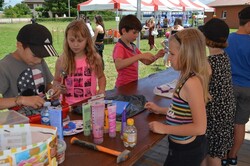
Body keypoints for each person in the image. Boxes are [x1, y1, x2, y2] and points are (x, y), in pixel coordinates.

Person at [144, 28, 210, 166]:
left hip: (186, 152)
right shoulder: (184, 76)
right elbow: (183, 110)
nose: (168, 58)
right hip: (179, 147)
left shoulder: (192, 83)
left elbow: (200, 127)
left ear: (188, 55)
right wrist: (161, 110)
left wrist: (164, 128)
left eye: (172, 54)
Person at [198, 18, 236, 166]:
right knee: (215, 152)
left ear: (206, 39)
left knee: (211, 154)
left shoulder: (208, 63)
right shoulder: (224, 57)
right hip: (225, 111)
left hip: (214, 115)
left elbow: (201, 91)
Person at [0, 23, 60, 111]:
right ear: (20, 46)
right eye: (35, 55)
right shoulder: (4, 67)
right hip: (22, 122)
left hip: (44, 116)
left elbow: (47, 84)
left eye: (42, 56)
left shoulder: (39, 60)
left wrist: (52, 90)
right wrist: (21, 100)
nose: (39, 61)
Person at [53, 20, 106, 105]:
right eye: (72, 40)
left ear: (87, 40)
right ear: (66, 39)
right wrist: (58, 87)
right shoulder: (61, 60)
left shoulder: (94, 58)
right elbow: (56, 80)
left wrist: (101, 90)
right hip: (68, 106)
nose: (76, 45)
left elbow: (101, 77)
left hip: (89, 105)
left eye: (80, 40)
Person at [224, 6, 250, 166]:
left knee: (226, 122)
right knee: (240, 123)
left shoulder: (227, 39)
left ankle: (223, 155)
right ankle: (232, 156)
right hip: (247, 89)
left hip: (229, 87)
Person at [112, 14, 165, 88]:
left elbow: (146, 62)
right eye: (134, 32)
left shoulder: (133, 46)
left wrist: (157, 56)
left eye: (138, 33)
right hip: (123, 87)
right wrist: (139, 56)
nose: (137, 35)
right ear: (124, 31)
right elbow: (118, 65)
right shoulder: (119, 47)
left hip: (132, 85)